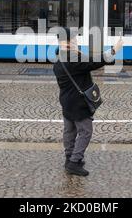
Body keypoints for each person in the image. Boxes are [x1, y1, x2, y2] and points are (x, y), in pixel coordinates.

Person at [53, 27, 124, 177]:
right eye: (74, 39)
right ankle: (74, 162)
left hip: (66, 102)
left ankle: (68, 159)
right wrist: (114, 50)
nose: (76, 41)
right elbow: (94, 63)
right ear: (67, 41)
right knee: (86, 132)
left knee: (69, 131)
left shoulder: (59, 59)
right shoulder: (73, 59)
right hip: (79, 104)